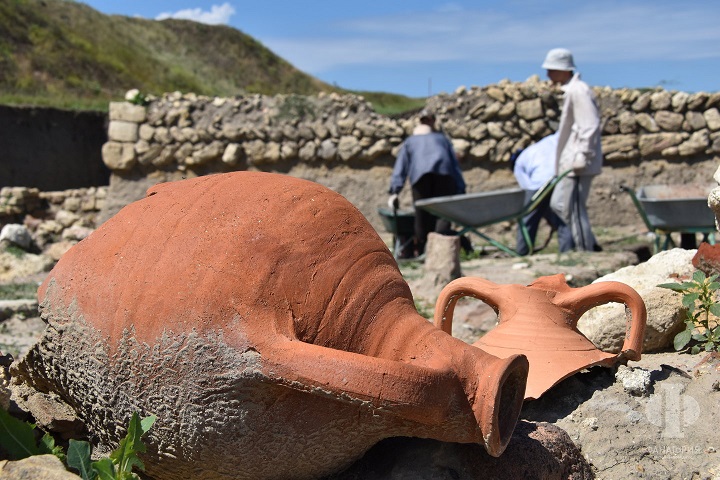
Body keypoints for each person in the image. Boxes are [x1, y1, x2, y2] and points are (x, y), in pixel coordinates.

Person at [543, 48, 603, 252]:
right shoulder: (572, 91)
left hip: (578, 162)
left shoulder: (579, 90)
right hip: (571, 160)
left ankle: (586, 250)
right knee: (560, 204)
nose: (548, 74)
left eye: (551, 69)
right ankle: (590, 244)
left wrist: (582, 156)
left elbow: (590, 124)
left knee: (573, 208)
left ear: (563, 69)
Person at [388, 109, 466, 258]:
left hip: (420, 177)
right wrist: (460, 189)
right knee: (443, 212)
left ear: (420, 121)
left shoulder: (411, 141)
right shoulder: (442, 140)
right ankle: (441, 251)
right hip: (445, 175)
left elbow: (401, 166)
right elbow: (455, 166)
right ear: (432, 121)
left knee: (421, 214)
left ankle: (424, 250)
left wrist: (395, 190)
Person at [513, 132, 572, 255]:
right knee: (561, 216)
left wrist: (532, 201)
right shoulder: (551, 141)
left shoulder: (520, 159)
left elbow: (525, 185)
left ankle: (522, 251)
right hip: (557, 179)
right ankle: (568, 250)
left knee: (528, 219)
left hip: (538, 183)